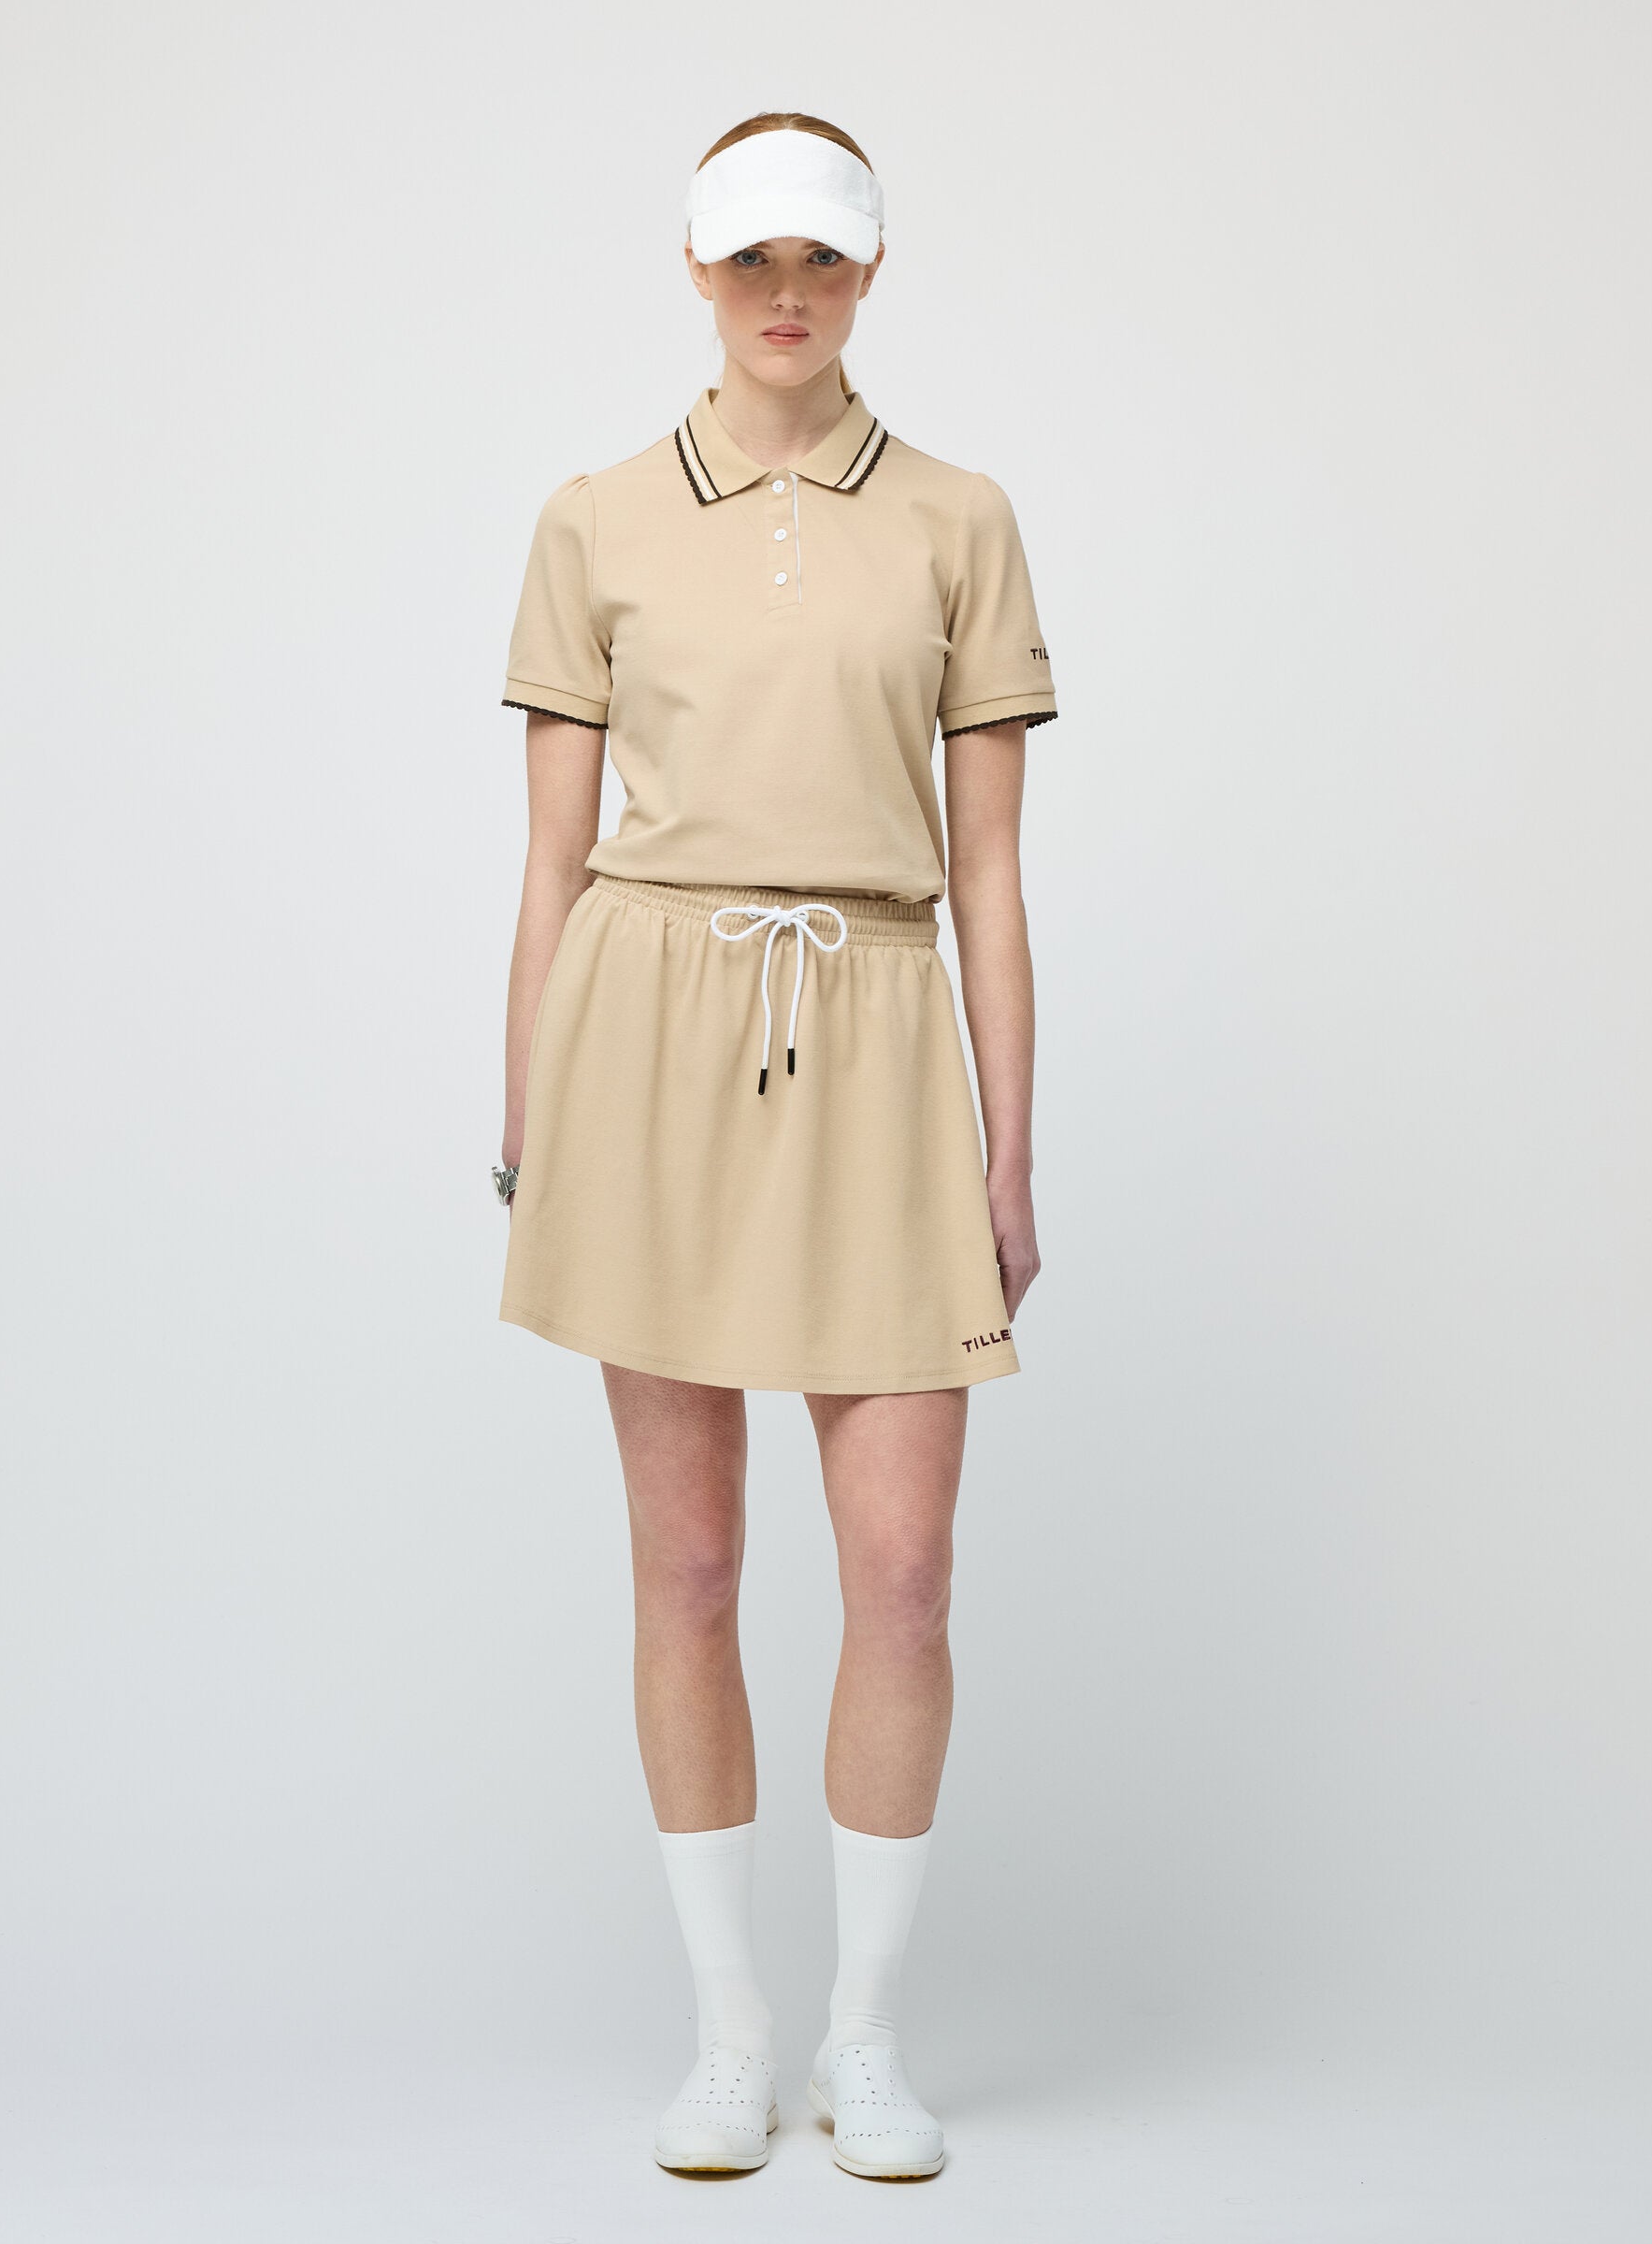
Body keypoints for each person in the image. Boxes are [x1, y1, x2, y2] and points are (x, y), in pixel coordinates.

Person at [491, 110, 1054, 2181]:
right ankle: (730, 2034)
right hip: (651, 1039)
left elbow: (988, 875)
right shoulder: (597, 518)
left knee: (902, 1572)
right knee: (696, 1563)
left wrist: (1006, 1149)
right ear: (697, 269)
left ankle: (864, 2038)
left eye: (821, 257)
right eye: (751, 259)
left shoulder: (962, 521)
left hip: (882, 1031)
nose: (786, 293)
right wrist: (533, 1123)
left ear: (873, 269)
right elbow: (551, 864)